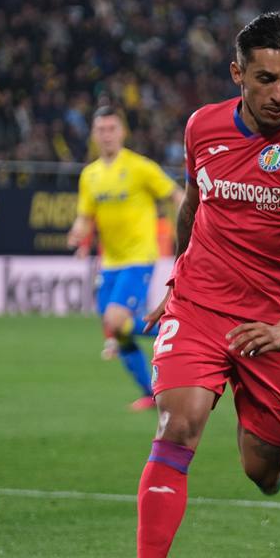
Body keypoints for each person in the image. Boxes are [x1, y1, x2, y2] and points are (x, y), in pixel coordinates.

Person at [110, 12, 280, 558]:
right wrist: (175, 282)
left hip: (274, 324)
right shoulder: (202, 126)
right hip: (201, 304)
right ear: (237, 73)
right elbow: (194, 205)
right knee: (178, 423)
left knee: (261, 470)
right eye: (266, 79)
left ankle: (272, 463)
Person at [67, 106, 185, 411]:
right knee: (118, 332)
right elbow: (85, 216)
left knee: (116, 321)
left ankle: (181, 333)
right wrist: (78, 233)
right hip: (110, 264)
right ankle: (151, 393)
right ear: (93, 135)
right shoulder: (90, 175)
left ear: (122, 132)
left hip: (139, 258)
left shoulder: (140, 167)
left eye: (111, 129)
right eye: (101, 130)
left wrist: (191, 221)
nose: (106, 135)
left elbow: (176, 195)